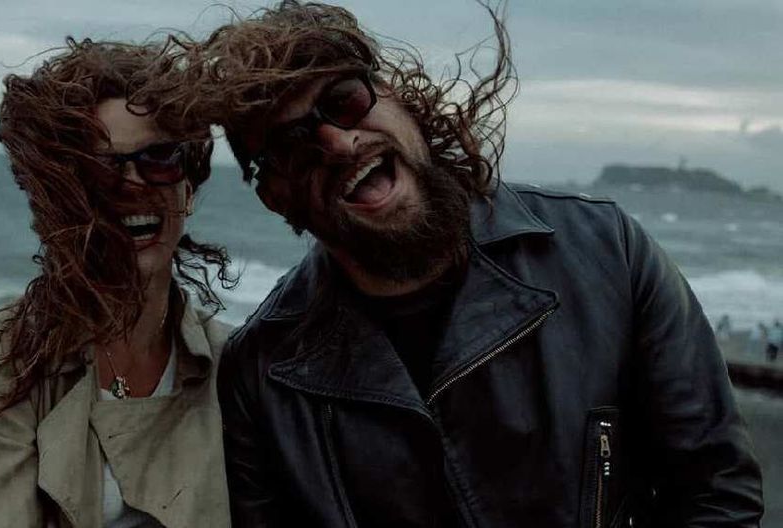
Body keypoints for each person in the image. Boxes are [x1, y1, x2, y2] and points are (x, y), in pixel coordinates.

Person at [145, 2, 763, 526]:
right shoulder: (262, 377)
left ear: (395, 98)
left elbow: (716, 495)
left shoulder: (606, 252)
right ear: (274, 196)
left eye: (344, 99)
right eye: (290, 144)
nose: (337, 142)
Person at [0, 39, 234, 527]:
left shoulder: (235, 369)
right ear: (61, 201)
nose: (133, 184)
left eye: (159, 157)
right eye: (98, 169)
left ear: (188, 187)